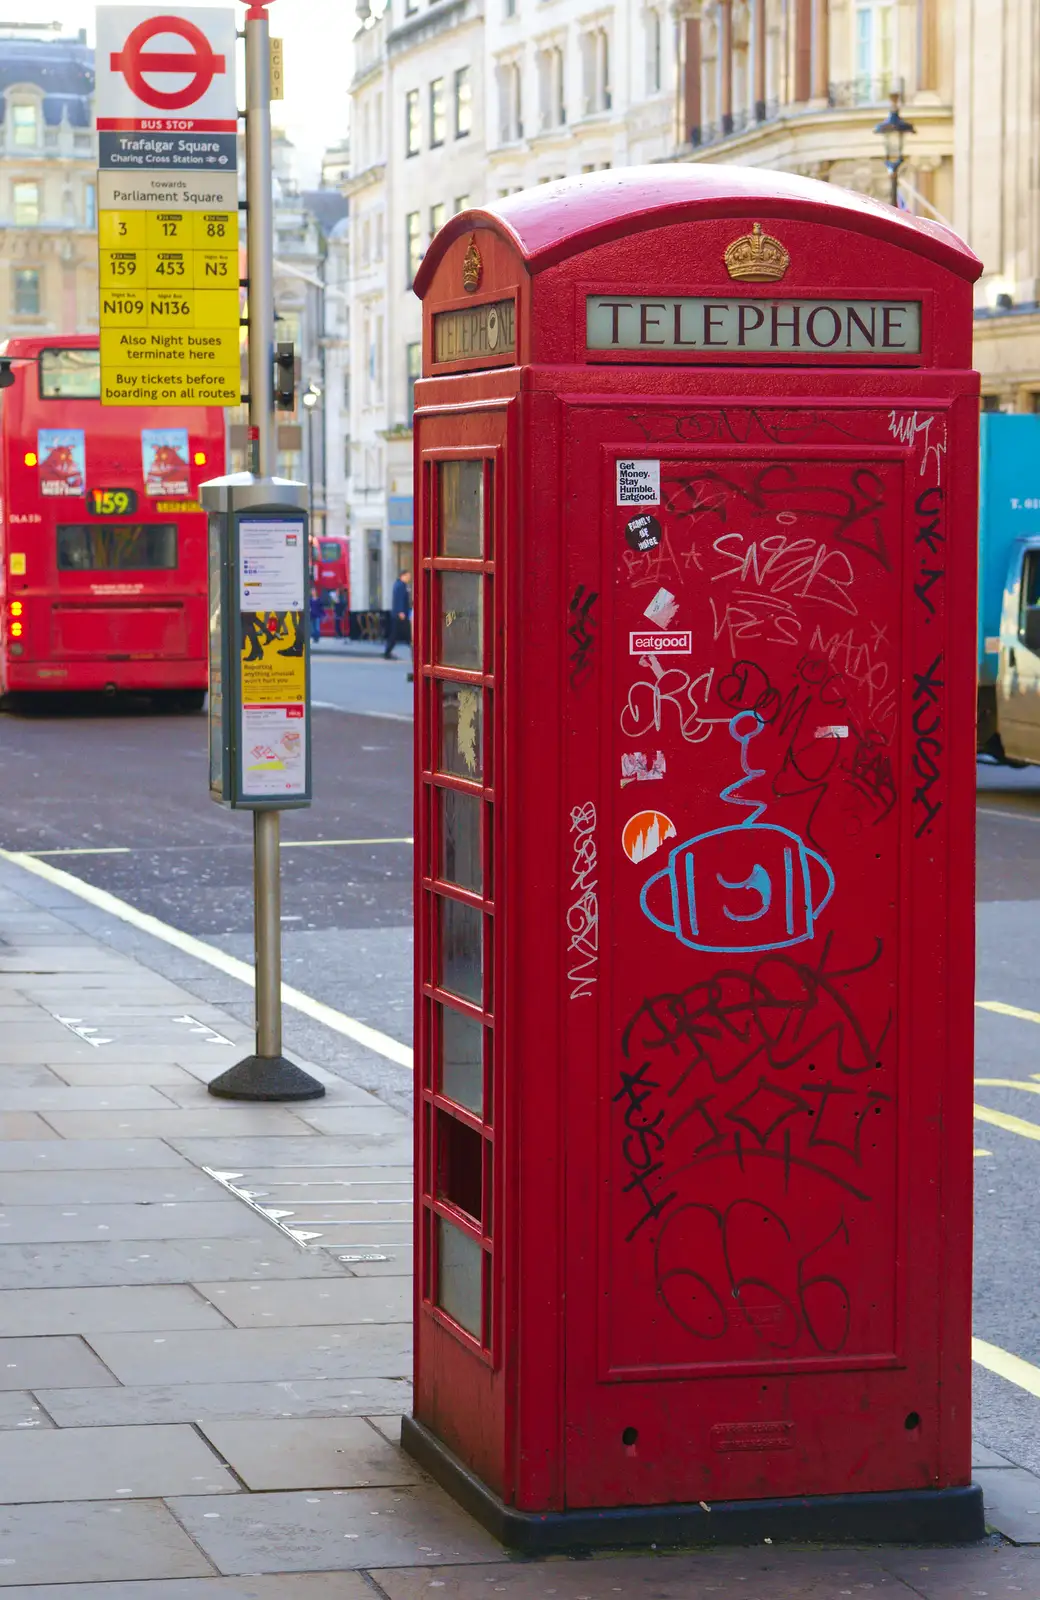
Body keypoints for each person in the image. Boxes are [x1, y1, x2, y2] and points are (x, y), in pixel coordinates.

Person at [384, 569, 411, 659]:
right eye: (408, 576)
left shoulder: (400, 585)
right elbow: (399, 599)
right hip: (400, 614)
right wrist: (400, 612)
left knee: (396, 635)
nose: (409, 578)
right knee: (405, 635)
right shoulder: (400, 586)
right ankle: (387, 652)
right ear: (402, 576)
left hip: (399, 614)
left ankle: (387, 652)